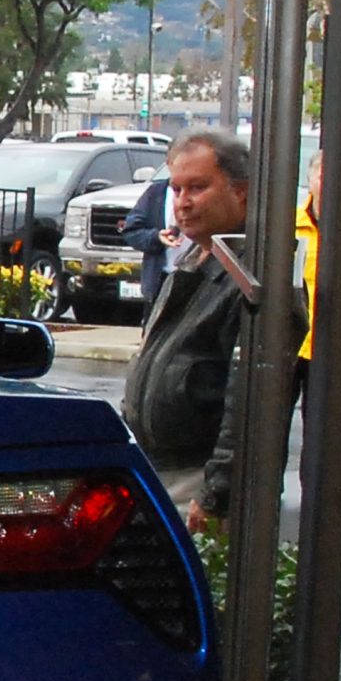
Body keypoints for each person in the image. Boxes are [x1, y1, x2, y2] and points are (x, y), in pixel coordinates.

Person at [122, 128, 254, 532]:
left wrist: (217, 494)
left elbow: (247, 401)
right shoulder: (193, 259)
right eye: (177, 189)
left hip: (196, 482)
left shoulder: (249, 277)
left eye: (197, 187)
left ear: (241, 192)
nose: (183, 202)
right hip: (156, 470)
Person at [119, 170, 177, 303]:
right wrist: (156, 237)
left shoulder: (211, 193)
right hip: (161, 282)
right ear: (169, 163)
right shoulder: (156, 193)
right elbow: (131, 231)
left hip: (199, 282)